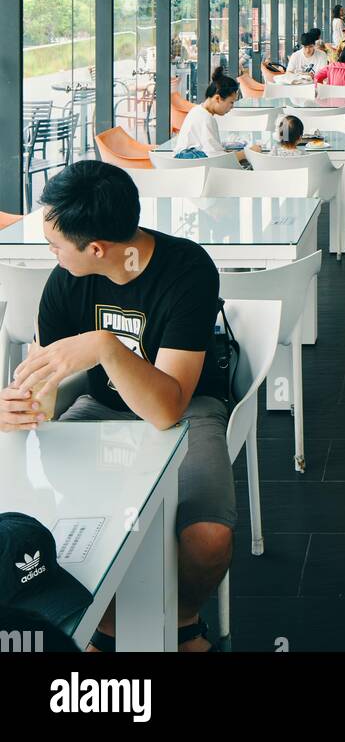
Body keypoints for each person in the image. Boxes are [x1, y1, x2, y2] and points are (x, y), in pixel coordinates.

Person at [0, 161, 235, 652]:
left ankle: (182, 622)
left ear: (97, 249)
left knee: (209, 539)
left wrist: (105, 346)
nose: (52, 255)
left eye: (56, 246)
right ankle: (106, 620)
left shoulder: (186, 270)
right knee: (60, 526)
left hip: (188, 411)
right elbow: (51, 387)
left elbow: (168, 408)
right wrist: (22, 405)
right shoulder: (66, 280)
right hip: (99, 408)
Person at [173, 66, 257, 163]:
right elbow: (218, 160)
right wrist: (248, 153)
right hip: (191, 167)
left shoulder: (198, 111)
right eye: (231, 102)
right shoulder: (205, 118)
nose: (232, 107)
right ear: (217, 98)